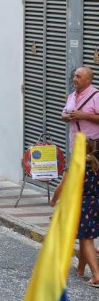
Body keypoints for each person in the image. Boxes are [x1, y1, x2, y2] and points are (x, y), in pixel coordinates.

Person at [51, 138, 99, 288]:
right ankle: (80, 269)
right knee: (87, 237)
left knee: (86, 240)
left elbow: (62, 186)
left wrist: (54, 201)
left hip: (82, 204)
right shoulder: (96, 164)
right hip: (95, 203)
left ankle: (97, 276)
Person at [62, 67, 99, 143]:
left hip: (92, 147)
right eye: (74, 76)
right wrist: (66, 117)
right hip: (74, 145)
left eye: (78, 76)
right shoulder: (71, 96)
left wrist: (84, 116)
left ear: (88, 80)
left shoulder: (97, 96)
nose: (74, 79)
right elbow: (63, 114)